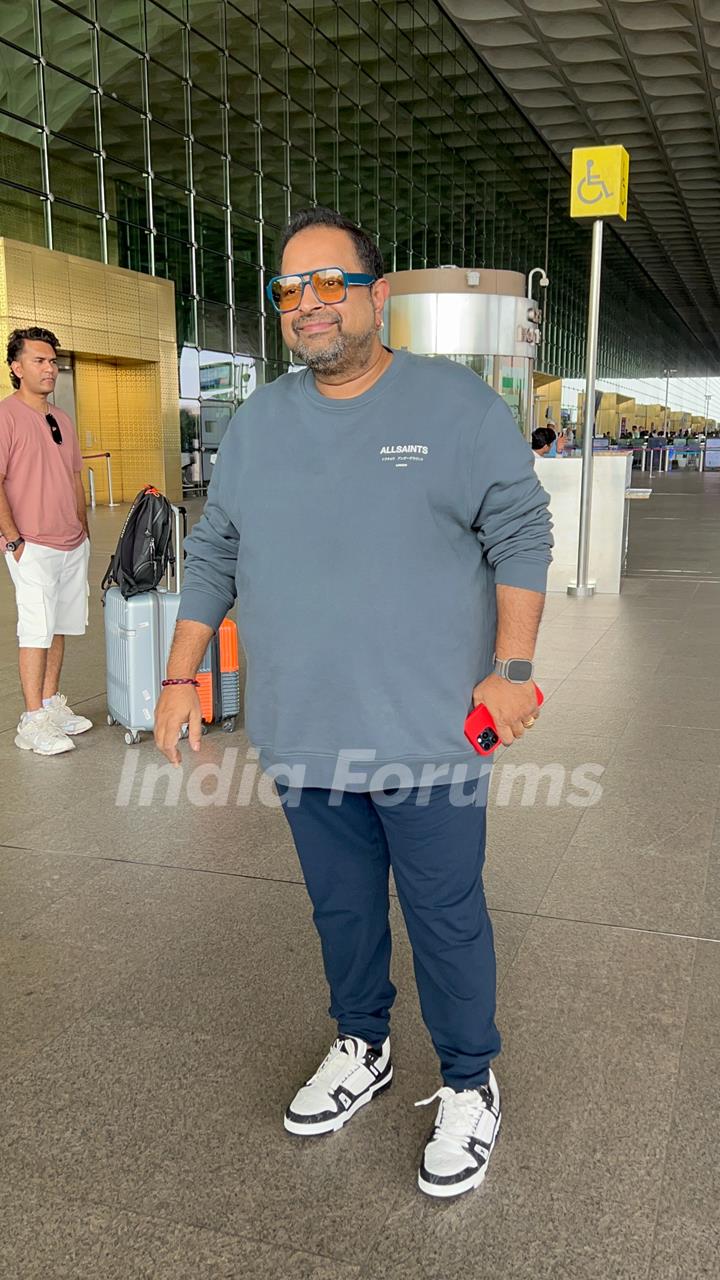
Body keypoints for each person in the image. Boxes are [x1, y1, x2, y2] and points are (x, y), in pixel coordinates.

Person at [155, 207, 553, 1199]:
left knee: (445, 912)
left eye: (330, 283)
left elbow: (521, 532)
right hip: (306, 730)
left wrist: (512, 666)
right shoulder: (259, 423)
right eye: (291, 290)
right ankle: (363, 1043)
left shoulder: (454, 407)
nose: (309, 305)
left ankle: (469, 1079)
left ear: (378, 297)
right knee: (342, 909)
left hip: (427, 734)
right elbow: (214, 551)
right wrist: (179, 675)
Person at [1, 328, 92, 755]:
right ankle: (32, 721)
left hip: (71, 542)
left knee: (59, 626)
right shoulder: (5, 416)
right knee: (35, 630)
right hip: (31, 544)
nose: (50, 368)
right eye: (39, 360)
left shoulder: (62, 418)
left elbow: (74, 476)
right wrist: (13, 539)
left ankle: (52, 704)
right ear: (17, 368)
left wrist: (83, 526)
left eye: (52, 361)